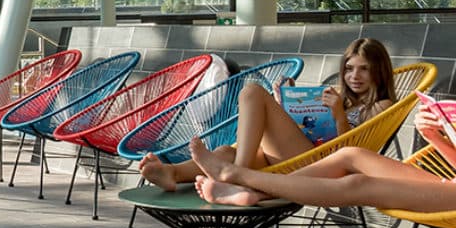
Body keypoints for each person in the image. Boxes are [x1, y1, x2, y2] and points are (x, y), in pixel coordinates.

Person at [140, 38, 396, 191]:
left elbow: (355, 155)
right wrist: (286, 104)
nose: (355, 76)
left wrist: (339, 116)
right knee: (226, 153)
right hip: (304, 153)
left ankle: (234, 177)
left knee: (252, 93)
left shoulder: (381, 106)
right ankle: (172, 173)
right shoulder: (343, 99)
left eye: (364, 69)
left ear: (379, 71)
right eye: (350, 69)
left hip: (324, 169)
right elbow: (310, 129)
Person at [190, 103, 456, 224]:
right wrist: (435, 137)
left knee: (359, 184)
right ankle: (253, 192)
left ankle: (238, 176)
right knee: (352, 155)